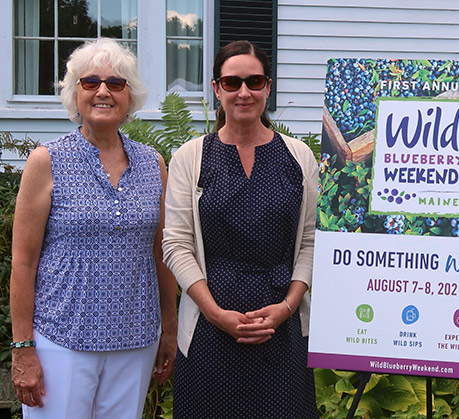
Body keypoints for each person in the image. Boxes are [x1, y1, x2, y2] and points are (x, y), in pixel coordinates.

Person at [9, 38, 178, 418]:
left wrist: (170, 328)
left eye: (115, 83)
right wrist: (22, 348)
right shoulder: (46, 161)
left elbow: (161, 255)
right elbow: (23, 263)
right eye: (90, 82)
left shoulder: (153, 164)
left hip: (135, 340)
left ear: (129, 96)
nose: (103, 91)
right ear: (76, 93)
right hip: (61, 339)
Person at [162, 40, 318, 418]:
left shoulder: (298, 157)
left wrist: (287, 307)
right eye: (232, 83)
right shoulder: (191, 157)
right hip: (208, 330)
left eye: (254, 81)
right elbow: (176, 244)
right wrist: (216, 313)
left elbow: (312, 242)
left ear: (268, 87)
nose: (244, 92)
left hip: (281, 331)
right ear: (217, 89)